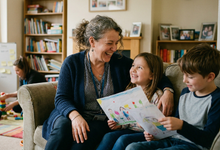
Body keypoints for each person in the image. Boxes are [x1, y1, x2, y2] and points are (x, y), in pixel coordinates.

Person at [42, 15, 174, 150]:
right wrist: (75, 117)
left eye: (116, 43)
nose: (115, 48)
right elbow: (61, 98)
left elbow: (154, 72)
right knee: (63, 127)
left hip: (101, 122)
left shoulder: (121, 63)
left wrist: (168, 90)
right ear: (92, 42)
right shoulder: (72, 63)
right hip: (73, 113)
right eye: (110, 43)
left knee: (79, 145)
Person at [126, 43, 220, 150]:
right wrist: (156, 134)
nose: (184, 80)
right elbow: (173, 126)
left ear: (210, 77)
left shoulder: (216, 99)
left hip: (194, 146)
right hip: (172, 140)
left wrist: (181, 125)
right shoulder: (185, 93)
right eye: (183, 75)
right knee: (132, 147)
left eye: (190, 76)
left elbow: (208, 139)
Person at [96, 53, 164, 150]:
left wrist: (147, 126)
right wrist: (119, 125)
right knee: (109, 136)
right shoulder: (129, 93)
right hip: (131, 130)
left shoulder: (157, 96)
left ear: (152, 75)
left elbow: (159, 124)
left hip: (146, 134)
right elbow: (128, 120)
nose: (133, 70)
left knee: (123, 139)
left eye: (140, 67)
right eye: (133, 65)